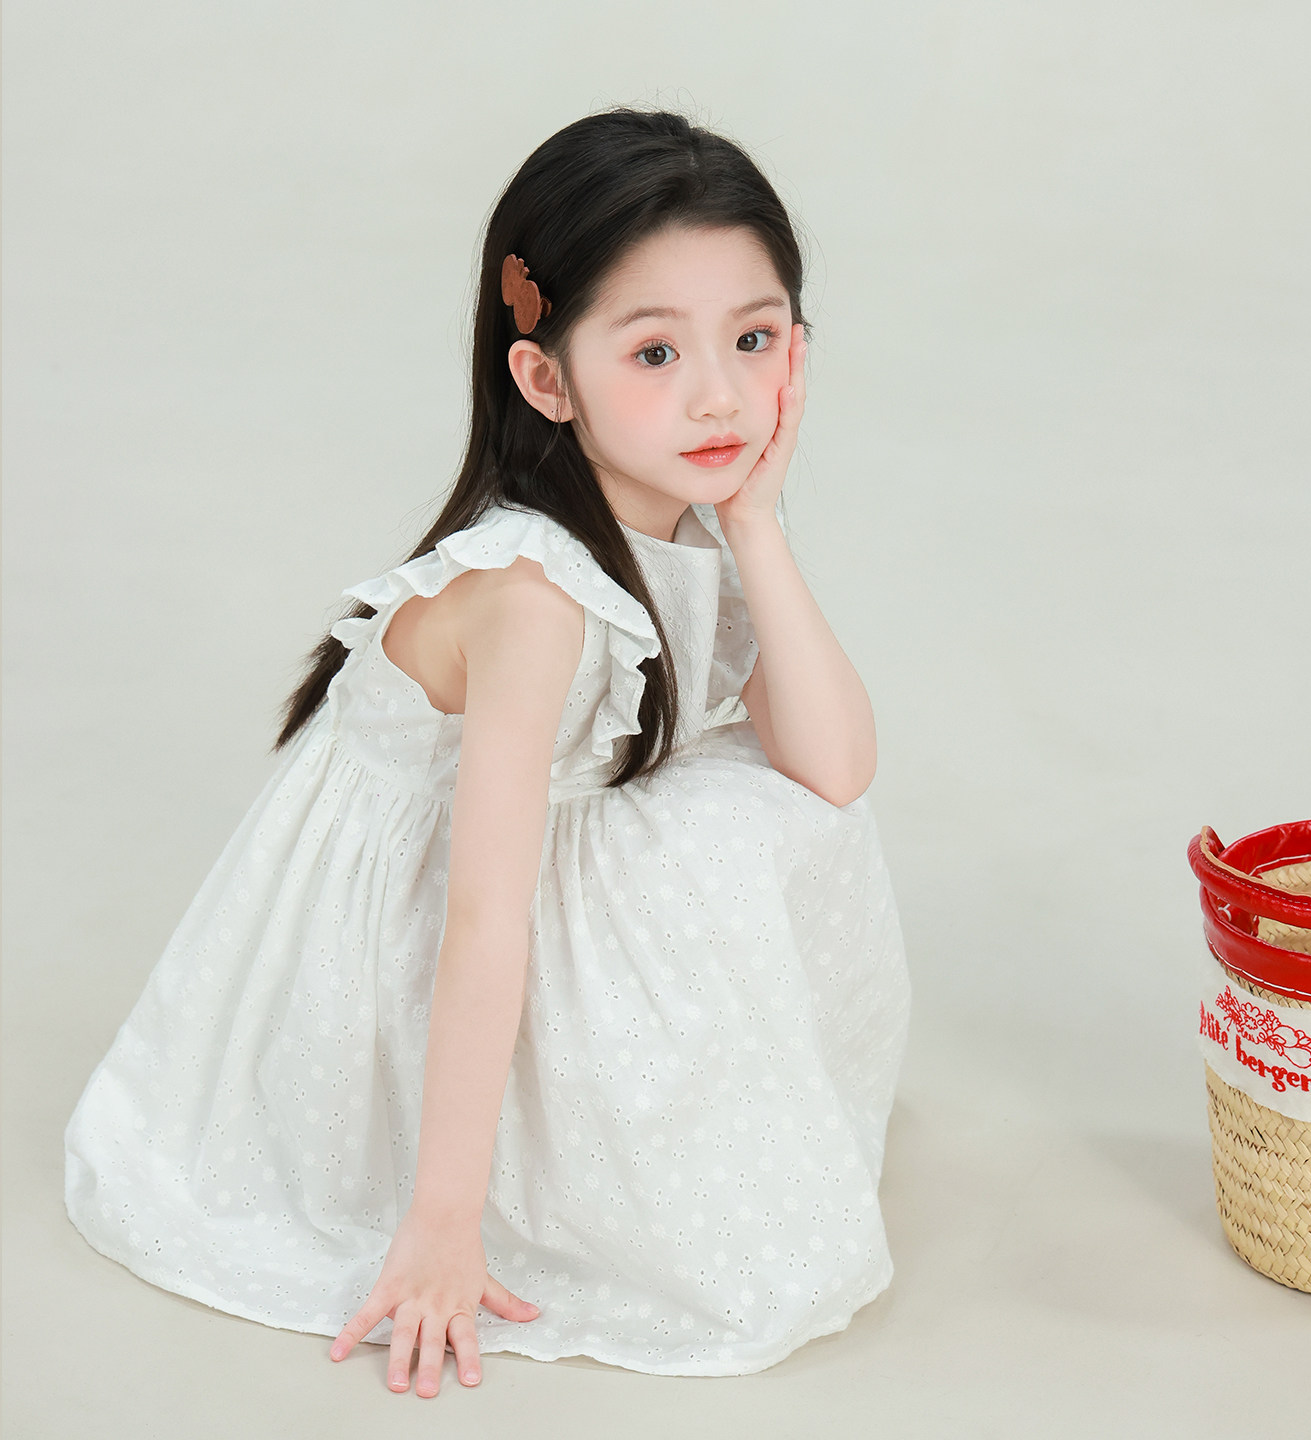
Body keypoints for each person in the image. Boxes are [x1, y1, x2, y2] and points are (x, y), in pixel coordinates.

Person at [64, 105, 912, 1393]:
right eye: (655, 351)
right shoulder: (534, 598)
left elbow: (836, 767)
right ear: (545, 379)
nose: (720, 396)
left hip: (538, 849)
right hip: (433, 915)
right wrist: (443, 1224)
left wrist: (757, 522)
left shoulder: (686, 508)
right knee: (710, 855)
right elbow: (480, 920)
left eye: (754, 339)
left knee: (780, 813)